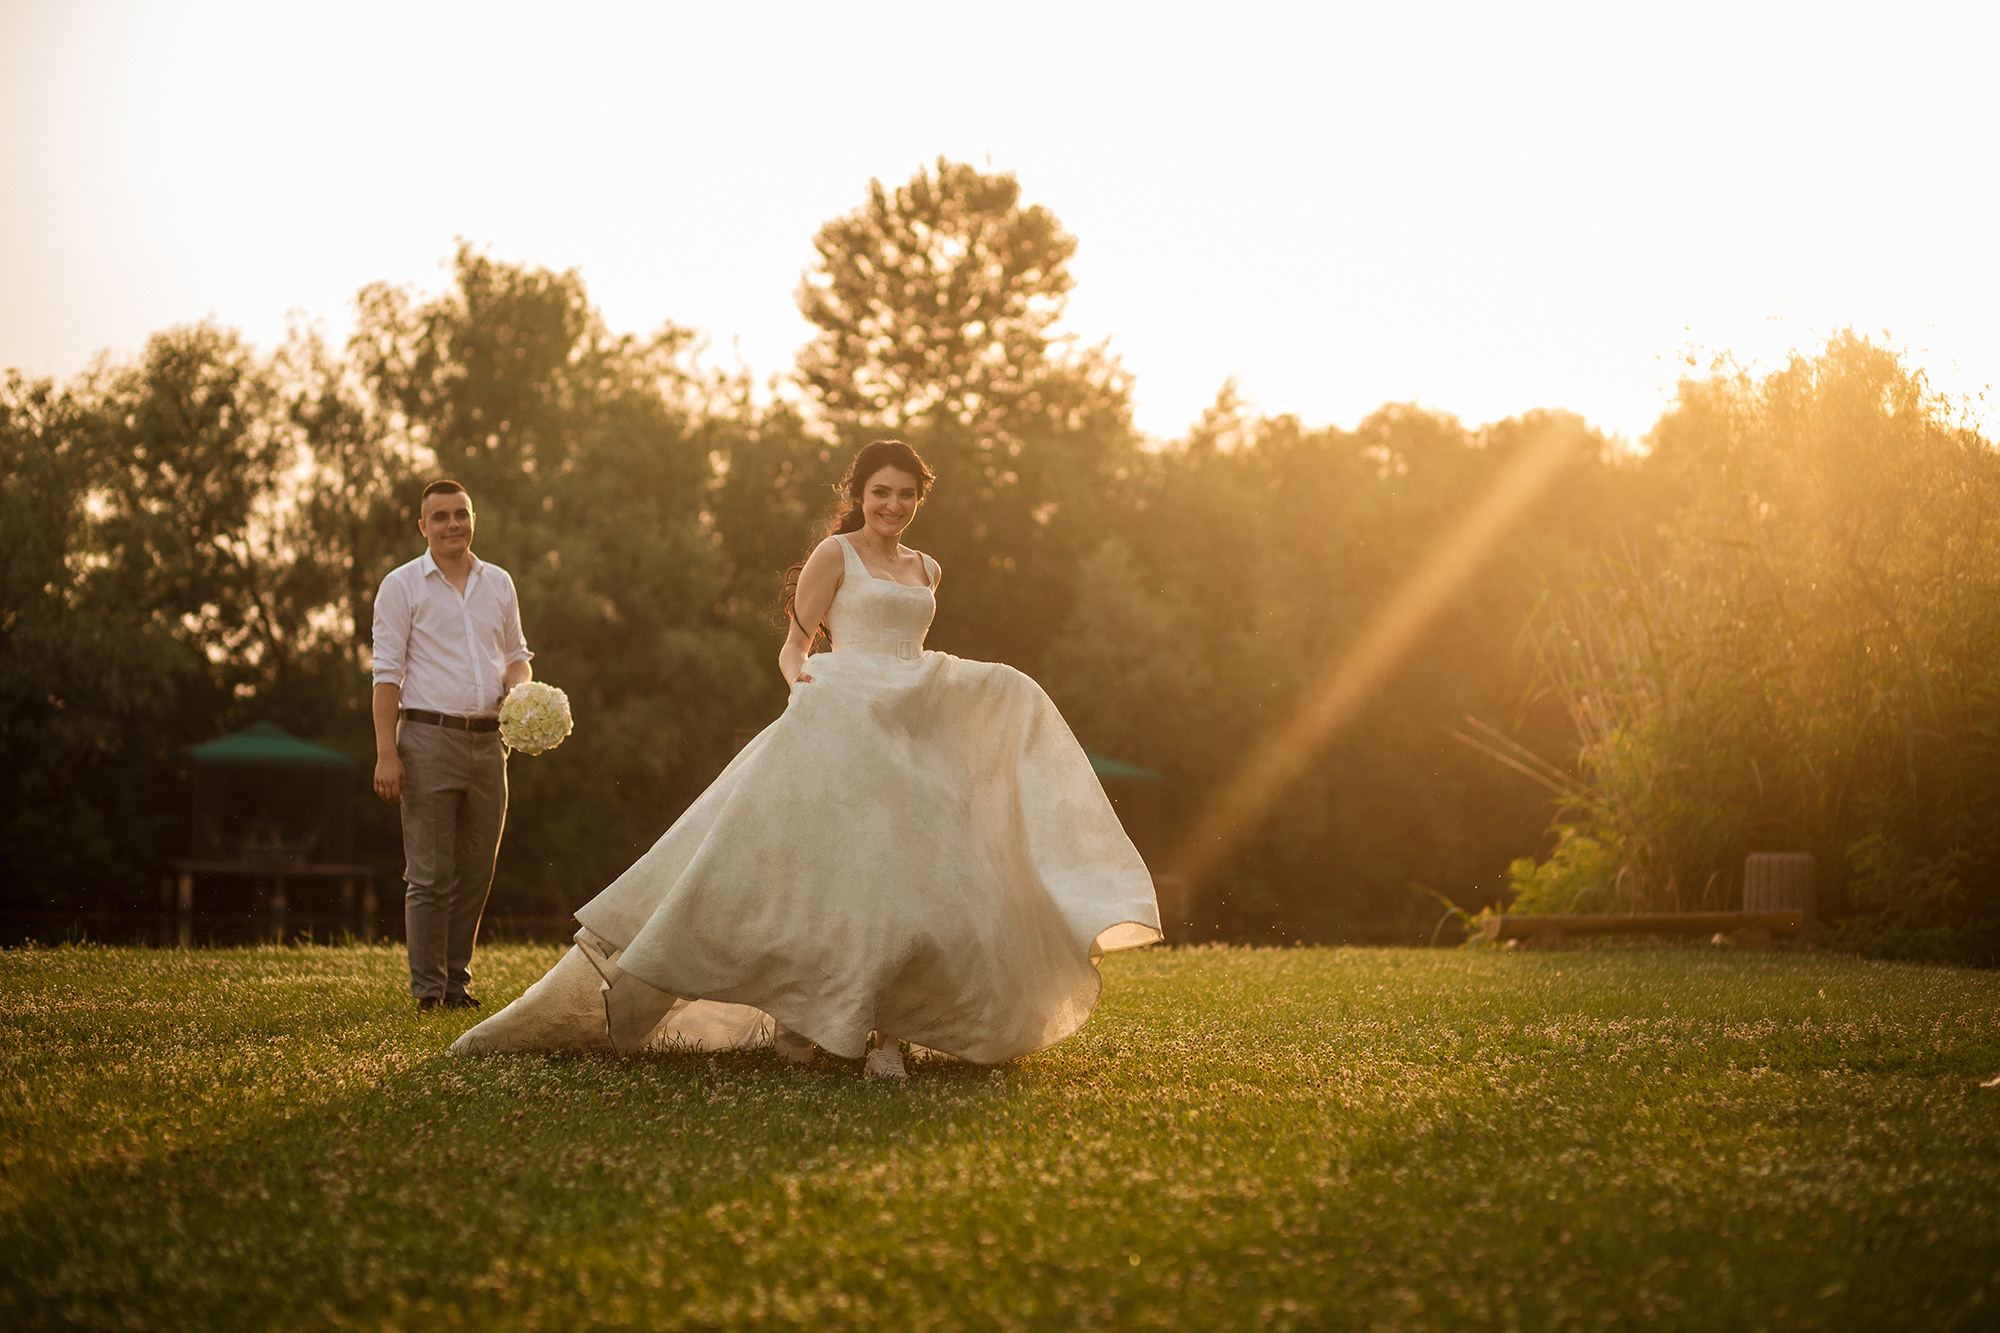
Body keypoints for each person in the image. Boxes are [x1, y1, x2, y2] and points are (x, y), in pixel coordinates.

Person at [452, 440, 1159, 1076]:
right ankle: (807, 1018)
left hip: (910, 723)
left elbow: (908, 651)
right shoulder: (836, 555)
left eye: (906, 494)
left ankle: (887, 1030)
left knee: (920, 877)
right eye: (881, 491)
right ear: (860, 493)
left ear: (919, 500)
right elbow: (795, 646)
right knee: (835, 879)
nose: (892, 504)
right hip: (843, 720)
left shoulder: (927, 567)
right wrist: (805, 688)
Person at [371, 479, 534, 1012]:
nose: (452, 525)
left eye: (461, 514)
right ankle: (428, 990)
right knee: (430, 873)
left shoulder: (499, 583)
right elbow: (387, 675)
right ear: (423, 527)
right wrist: (386, 753)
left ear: (473, 519)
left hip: (490, 745)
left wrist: (525, 699)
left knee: (477, 870)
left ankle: (455, 984)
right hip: (425, 741)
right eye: (439, 517)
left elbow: (516, 658)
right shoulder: (401, 587)